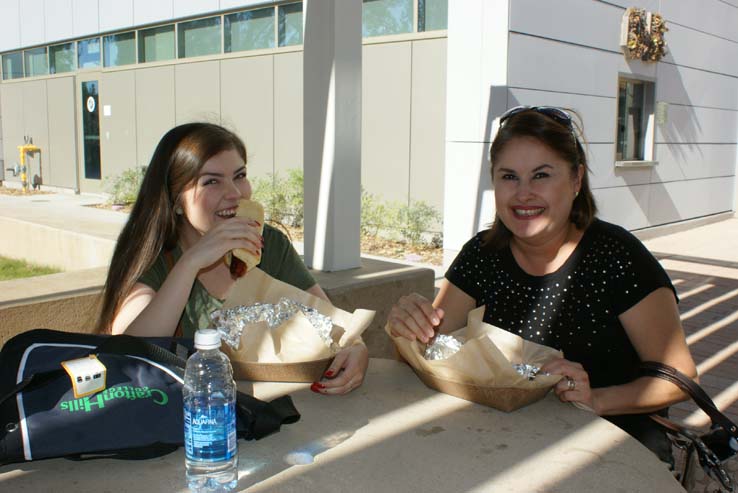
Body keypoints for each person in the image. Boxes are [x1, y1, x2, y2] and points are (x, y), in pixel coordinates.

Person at [387, 106, 696, 463]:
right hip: (503, 445)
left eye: (541, 175)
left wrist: (596, 398)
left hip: (614, 449)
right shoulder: (481, 254)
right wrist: (408, 331)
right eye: (509, 177)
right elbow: (430, 355)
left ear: (577, 180)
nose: (523, 193)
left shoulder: (617, 257)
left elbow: (681, 377)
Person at [96, 122, 367, 395]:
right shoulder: (158, 254)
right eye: (211, 181)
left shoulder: (267, 243)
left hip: (273, 416)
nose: (235, 194)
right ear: (176, 201)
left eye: (239, 176)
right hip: (191, 423)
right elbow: (129, 350)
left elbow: (334, 325)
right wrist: (190, 263)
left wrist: (356, 349)